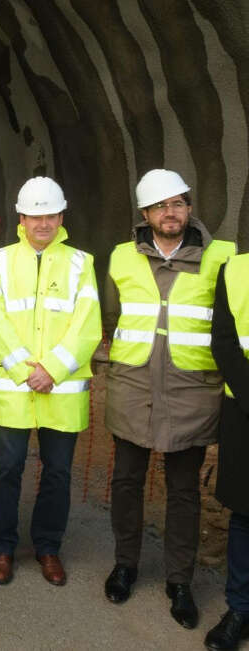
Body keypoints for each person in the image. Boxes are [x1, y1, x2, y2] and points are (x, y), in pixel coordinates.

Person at [102, 169, 236, 629]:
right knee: (126, 481)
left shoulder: (223, 257)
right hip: (134, 385)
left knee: (183, 490)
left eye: (178, 203)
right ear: (145, 214)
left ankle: (179, 581)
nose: (170, 212)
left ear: (190, 206)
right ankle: (126, 564)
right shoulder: (121, 257)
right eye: (160, 206)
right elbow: (113, 314)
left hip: (191, 390)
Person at [0, 176, 100, 587]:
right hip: (15, 389)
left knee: (58, 473)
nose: (43, 223)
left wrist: (52, 370)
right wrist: (24, 371)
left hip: (61, 390)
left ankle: (48, 547)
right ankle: (4, 547)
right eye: (35, 216)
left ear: (62, 216)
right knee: (7, 469)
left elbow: (88, 326)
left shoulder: (81, 263)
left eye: (50, 215)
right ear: (22, 218)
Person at [206, 252, 249, 649]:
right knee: (245, 513)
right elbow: (223, 340)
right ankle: (239, 608)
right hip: (245, 410)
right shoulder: (235, 270)